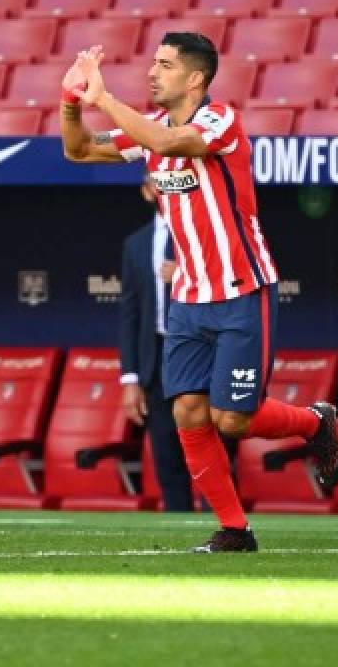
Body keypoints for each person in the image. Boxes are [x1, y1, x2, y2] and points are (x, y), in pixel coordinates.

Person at [60, 32, 338, 552]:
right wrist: (71, 101)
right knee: (188, 412)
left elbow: (170, 143)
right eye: (152, 62)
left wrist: (103, 99)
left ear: (195, 78)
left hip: (242, 289)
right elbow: (77, 151)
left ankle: (313, 421)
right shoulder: (147, 133)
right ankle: (235, 530)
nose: (151, 72)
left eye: (164, 65)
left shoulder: (220, 121)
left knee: (231, 419)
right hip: (189, 297)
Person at [119, 176, 194, 512]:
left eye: (170, 185)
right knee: (166, 453)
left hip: (197, 352)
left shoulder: (199, 235)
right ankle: (179, 530)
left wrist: (184, 276)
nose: (164, 192)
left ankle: (226, 524)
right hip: (157, 359)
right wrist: (130, 378)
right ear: (147, 192)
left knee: (209, 444)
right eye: (157, 186)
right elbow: (130, 315)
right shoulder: (136, 244)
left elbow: (224, 286)